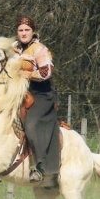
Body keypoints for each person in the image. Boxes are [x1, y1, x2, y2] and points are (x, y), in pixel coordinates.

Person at [13, 16, 60, 188]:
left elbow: (47, 72)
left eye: (27, 30)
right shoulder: (13, 49)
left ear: (33, 32)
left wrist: (27, 75)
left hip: (40, 94)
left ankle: (39, 167)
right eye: (20, 30)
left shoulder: (39, 49)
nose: (23, 33)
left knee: (31, 125)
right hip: (18, 92)